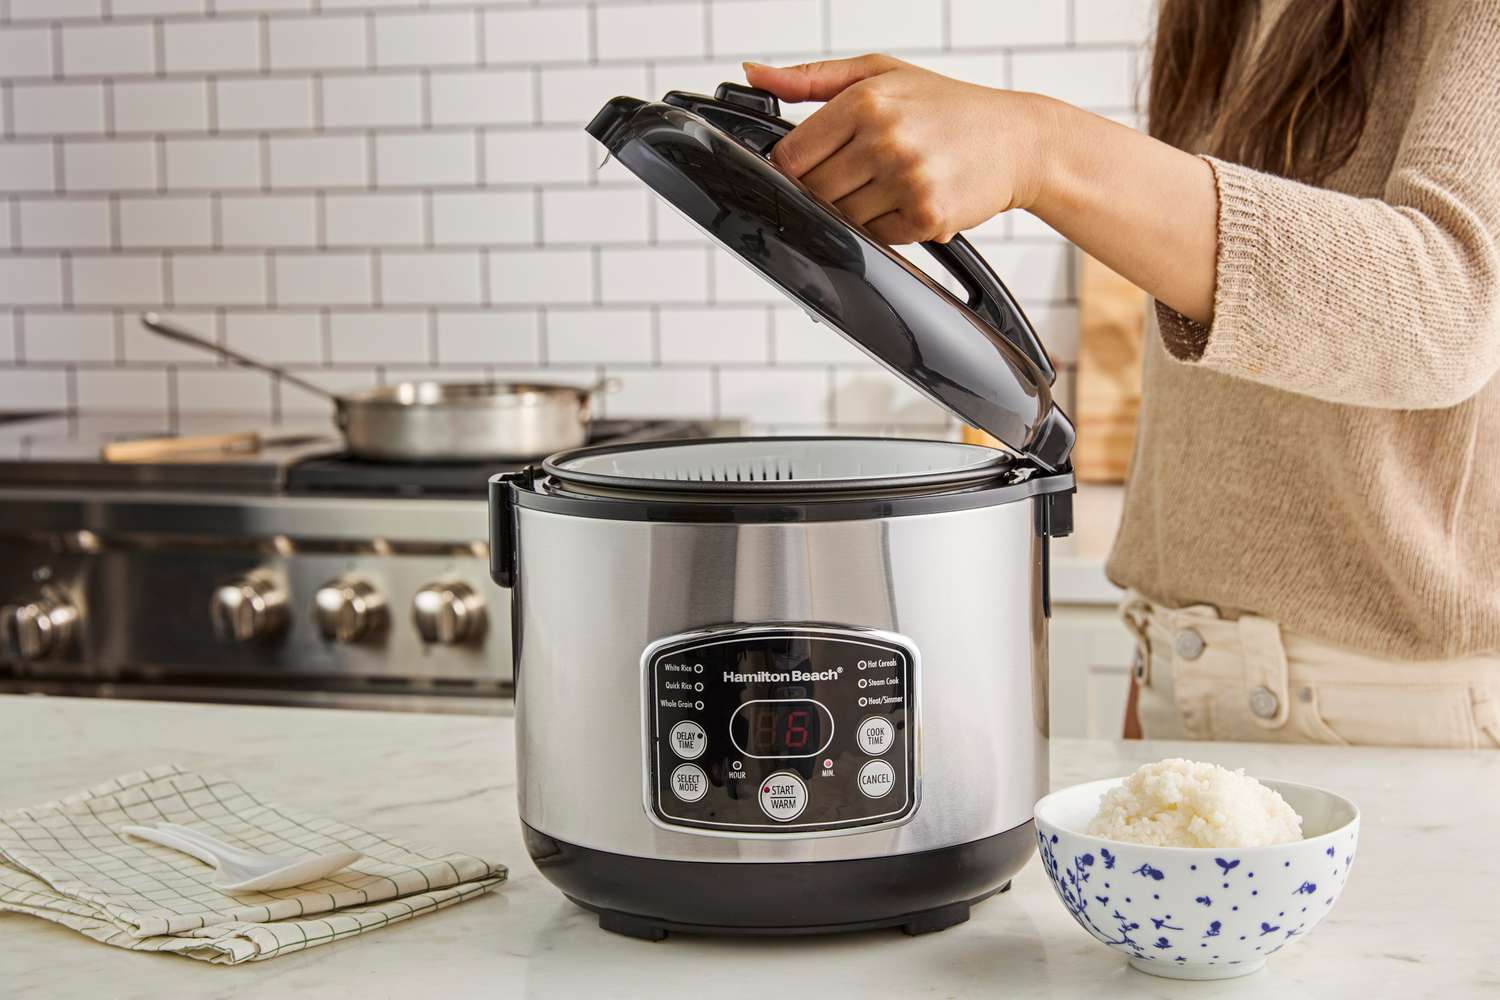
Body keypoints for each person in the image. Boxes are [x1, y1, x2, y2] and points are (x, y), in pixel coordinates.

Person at [744, 0, 1500, 748]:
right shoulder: (1217, 16)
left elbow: (1450, 309)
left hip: (1408, 714)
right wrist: (1161, 664)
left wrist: (1039, 144)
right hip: (1184, 673)